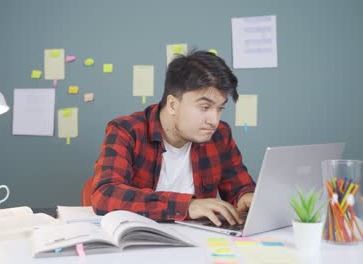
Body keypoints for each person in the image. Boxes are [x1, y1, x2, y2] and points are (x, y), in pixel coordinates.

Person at [91, 50, 256, 226]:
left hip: (200, 244)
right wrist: (187, 206)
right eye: (204, 107)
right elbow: (105, 194)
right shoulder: (127, 131)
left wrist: (245, 197)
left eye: (220, 108)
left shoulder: (220, 135)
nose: (214, 121)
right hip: (141, 241)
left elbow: (239, 187)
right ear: (172, 104)